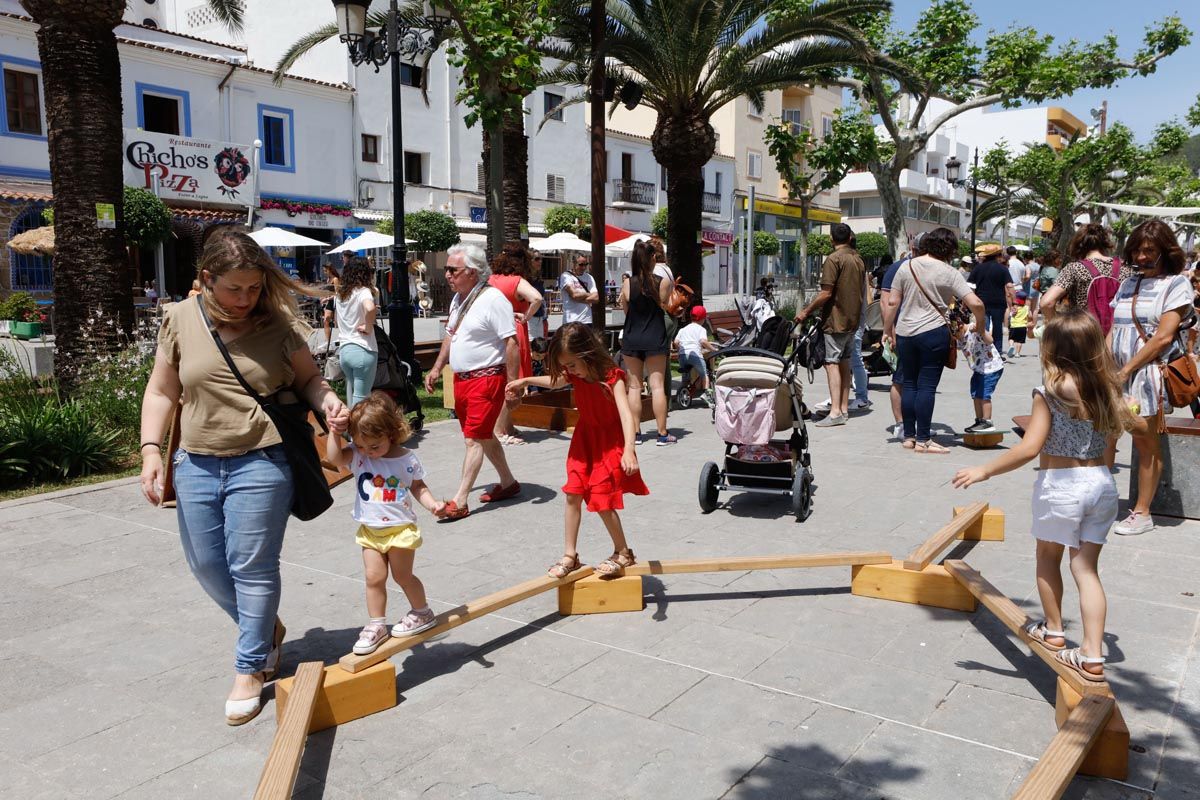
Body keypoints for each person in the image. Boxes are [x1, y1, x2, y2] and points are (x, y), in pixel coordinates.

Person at [138, 230, 350, 725]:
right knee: (207, 564)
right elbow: (161, 391)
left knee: (252, 566)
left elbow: (309, 380)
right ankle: (266, 632)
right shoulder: (179, 319)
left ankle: (250, 666)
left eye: (254, 288)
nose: (246, 298)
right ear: (207, 279)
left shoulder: (276, 326)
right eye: (235, 289)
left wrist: (329, 402)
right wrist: (151, 449)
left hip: (262, 458)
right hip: (195, 462)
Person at [953, 311, 1132, 684]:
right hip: (1101, 482)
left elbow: (1029, 448)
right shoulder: (1107, 388)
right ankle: (1093, 654)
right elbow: (1116, 440)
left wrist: (984, 470)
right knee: (1086, 570)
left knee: (1047, 558)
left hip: (1062, 484)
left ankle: (1053, 630)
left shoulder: (1049, 392)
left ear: (1051, 348)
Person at [506, 323, 647, 579]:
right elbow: (555, 382)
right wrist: (525, 380)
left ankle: (623, 552)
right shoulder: (573, 374)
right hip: (584, 440)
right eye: (566, 366)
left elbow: (627, 416)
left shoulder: (611, 376)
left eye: (572, 365)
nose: (569, 371)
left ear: (587, 354)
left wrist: (629, 450)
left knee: (602, 497)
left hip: (609, 442)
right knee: (573, 492)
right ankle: (570, 556)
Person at [325, 392, 445, 656]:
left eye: (375, 446)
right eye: (361, 445)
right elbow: (334, 458)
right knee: (373, 578)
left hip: (400, 529)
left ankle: (422, 612)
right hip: (370, 530)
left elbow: (418, 486)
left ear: (391, 432)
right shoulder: (359, 455)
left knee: (402, 576)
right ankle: (377, 625)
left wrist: (433, 504)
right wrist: (334, 433)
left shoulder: (406, 459)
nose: (369, 452)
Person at [1106, 220, 1194, 536]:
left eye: (1149, 250)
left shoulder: (1177, 285)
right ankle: (1102, 502)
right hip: (1116, 375)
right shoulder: (1128, 283)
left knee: (1144, 440)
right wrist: (1103, 367)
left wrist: (1126, 371)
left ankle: (1143, 512)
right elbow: (1114, 329)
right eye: (1137, 250)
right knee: (1108, 431)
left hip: (1145, 377)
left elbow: (1163, 338)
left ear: (1164, 250)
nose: (1142, 256)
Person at [424, 244, 521, 520]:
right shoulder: (460, 299)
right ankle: (508, 483)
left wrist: (513, 384)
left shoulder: (493, 299)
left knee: (473, 440)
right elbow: (451, 336)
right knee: (483, 435)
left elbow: (511, 343)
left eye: (452, 270)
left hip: (486, 379)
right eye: (447, 269)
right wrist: (436, 367)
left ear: (473, 272)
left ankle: (461, 499)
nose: (447, 275)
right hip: (462, 381)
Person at [884, 227, 988, 454]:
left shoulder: (906, 266)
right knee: (927, 387)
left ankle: (909, 437)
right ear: (950, 249)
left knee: (909, 384)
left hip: (905, 333)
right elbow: (977, 304)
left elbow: (892, 303)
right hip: (933, 332)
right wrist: (980, 326)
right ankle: (923, 439)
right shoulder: (949, 272)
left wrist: (886, 330)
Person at [795, 222, 866, 427]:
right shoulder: (858, 258)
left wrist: (806, 312)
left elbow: (826, 293)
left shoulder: (834, 259)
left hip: (836, 319)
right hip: (853, 320)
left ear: (831, 239)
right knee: (844, 361)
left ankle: (835, 412)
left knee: (831, 363)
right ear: (850, 237)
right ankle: (843, 408)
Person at [620, 240, 675, 445]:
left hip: (632, 335)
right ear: (652, 258)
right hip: (654, 334)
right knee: (657, 385)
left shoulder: (628, 283)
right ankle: (662, 434)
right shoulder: (663, 282)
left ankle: (635, 433)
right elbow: (665, 306)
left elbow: (626, 310)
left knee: (634, 387)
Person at [489, 243, 544, 445]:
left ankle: (507, 425)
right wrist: (527, 316)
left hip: (493, 332)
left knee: (501, 379)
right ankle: (500, 429)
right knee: (513, 381)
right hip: (514, 329)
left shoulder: (491, 279)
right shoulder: (516, 281)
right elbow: (537, 298)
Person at [1039, 223, 1131, 326]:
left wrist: (1061, 326)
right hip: (1117, 334)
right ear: (1105, 243)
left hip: (1084, 334)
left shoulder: (1075, 268)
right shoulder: (1126, 268)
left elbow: (1046, 303)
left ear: (1078, 244)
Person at [334, 259, 378, 409]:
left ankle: (352, 429)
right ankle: (356, 431)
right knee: (361, 399)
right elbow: (370, 308)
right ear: (363, 273)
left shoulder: (340, 294)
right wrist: (368, 326)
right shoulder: (363, 291)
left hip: (345, 350)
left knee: (355, 396)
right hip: (362, 348)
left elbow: (335, 320)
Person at [959, 318, 1004, 434]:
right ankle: (979, 421)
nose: (955, 338)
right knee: (975, 393)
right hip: (979, 369)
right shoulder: (959, 336)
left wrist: (982, 331)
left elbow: (990, 340)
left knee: (984, 394)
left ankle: (987, 422)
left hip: (991, 367)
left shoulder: (974, 328)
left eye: (954, 334)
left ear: (959, 327)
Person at [968, 243, 1014, 358]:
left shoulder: (978, 268)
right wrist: (1014, 302)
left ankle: (985, 350)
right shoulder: (1003, 269)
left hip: (981, 302)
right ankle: (997, 352)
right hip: (998, 303)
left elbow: (970, 286)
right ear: (997, 255)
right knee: (998, 327)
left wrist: (970, 302)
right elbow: (1009, 286)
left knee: (984, 327)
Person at [674, 305, 717, 402]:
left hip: (682, 356)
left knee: (686, 374)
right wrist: (714, 349)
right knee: (704, 374)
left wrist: (680, 350)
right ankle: (706, 393)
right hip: (694, 355)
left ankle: (683, 391)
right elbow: (703, 342)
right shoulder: (701, 329)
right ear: (703, 318)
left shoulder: (683, 329)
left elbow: (676, 342)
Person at [560, 254, 599, 325]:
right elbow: (574, 295)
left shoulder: (589, 277)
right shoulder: (566, 276)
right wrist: (588, 294)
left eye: (585, 264)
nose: (584, 267)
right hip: (571, 320)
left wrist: (579, 299)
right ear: (574, 264)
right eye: (581, 265)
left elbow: (596, 298)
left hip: (587, 320)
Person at [1030, 250, 1061, 330]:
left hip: (1044, 297)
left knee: (1047, 322)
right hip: (1052, 299)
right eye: (1058, 258)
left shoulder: (1044, 269)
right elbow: (1058, 285)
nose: (1060, 260)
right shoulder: (1053, 270)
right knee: (1054, 324)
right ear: (1053, 260)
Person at [1009, 290, 1030, 358]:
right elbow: (1030, 316)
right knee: (1019, 341)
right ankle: (1017, 353)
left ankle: (1011, 346)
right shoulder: (1026, 308)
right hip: (1023, 327)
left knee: (1011, 338)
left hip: (1014, 326)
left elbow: (1011, 314)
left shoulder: (1015, 307)